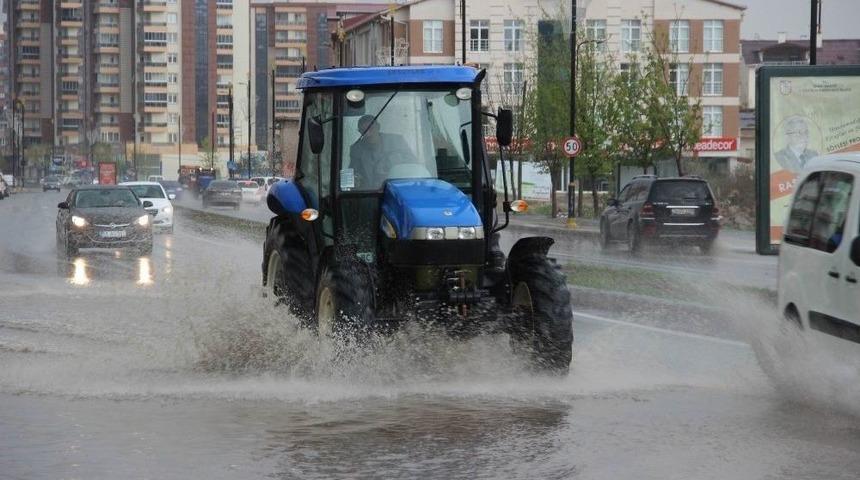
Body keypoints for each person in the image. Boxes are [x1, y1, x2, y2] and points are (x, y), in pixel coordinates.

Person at [348, 114, 413, 188]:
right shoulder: (356, 149)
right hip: (372, 194)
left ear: (378, 127)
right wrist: (356, 179)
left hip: (397, 190)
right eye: (363, 131)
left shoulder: (397, 141)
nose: (368, 134)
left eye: (371, 129)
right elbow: (353, 174)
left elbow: (412, 165)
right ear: (359, 132)